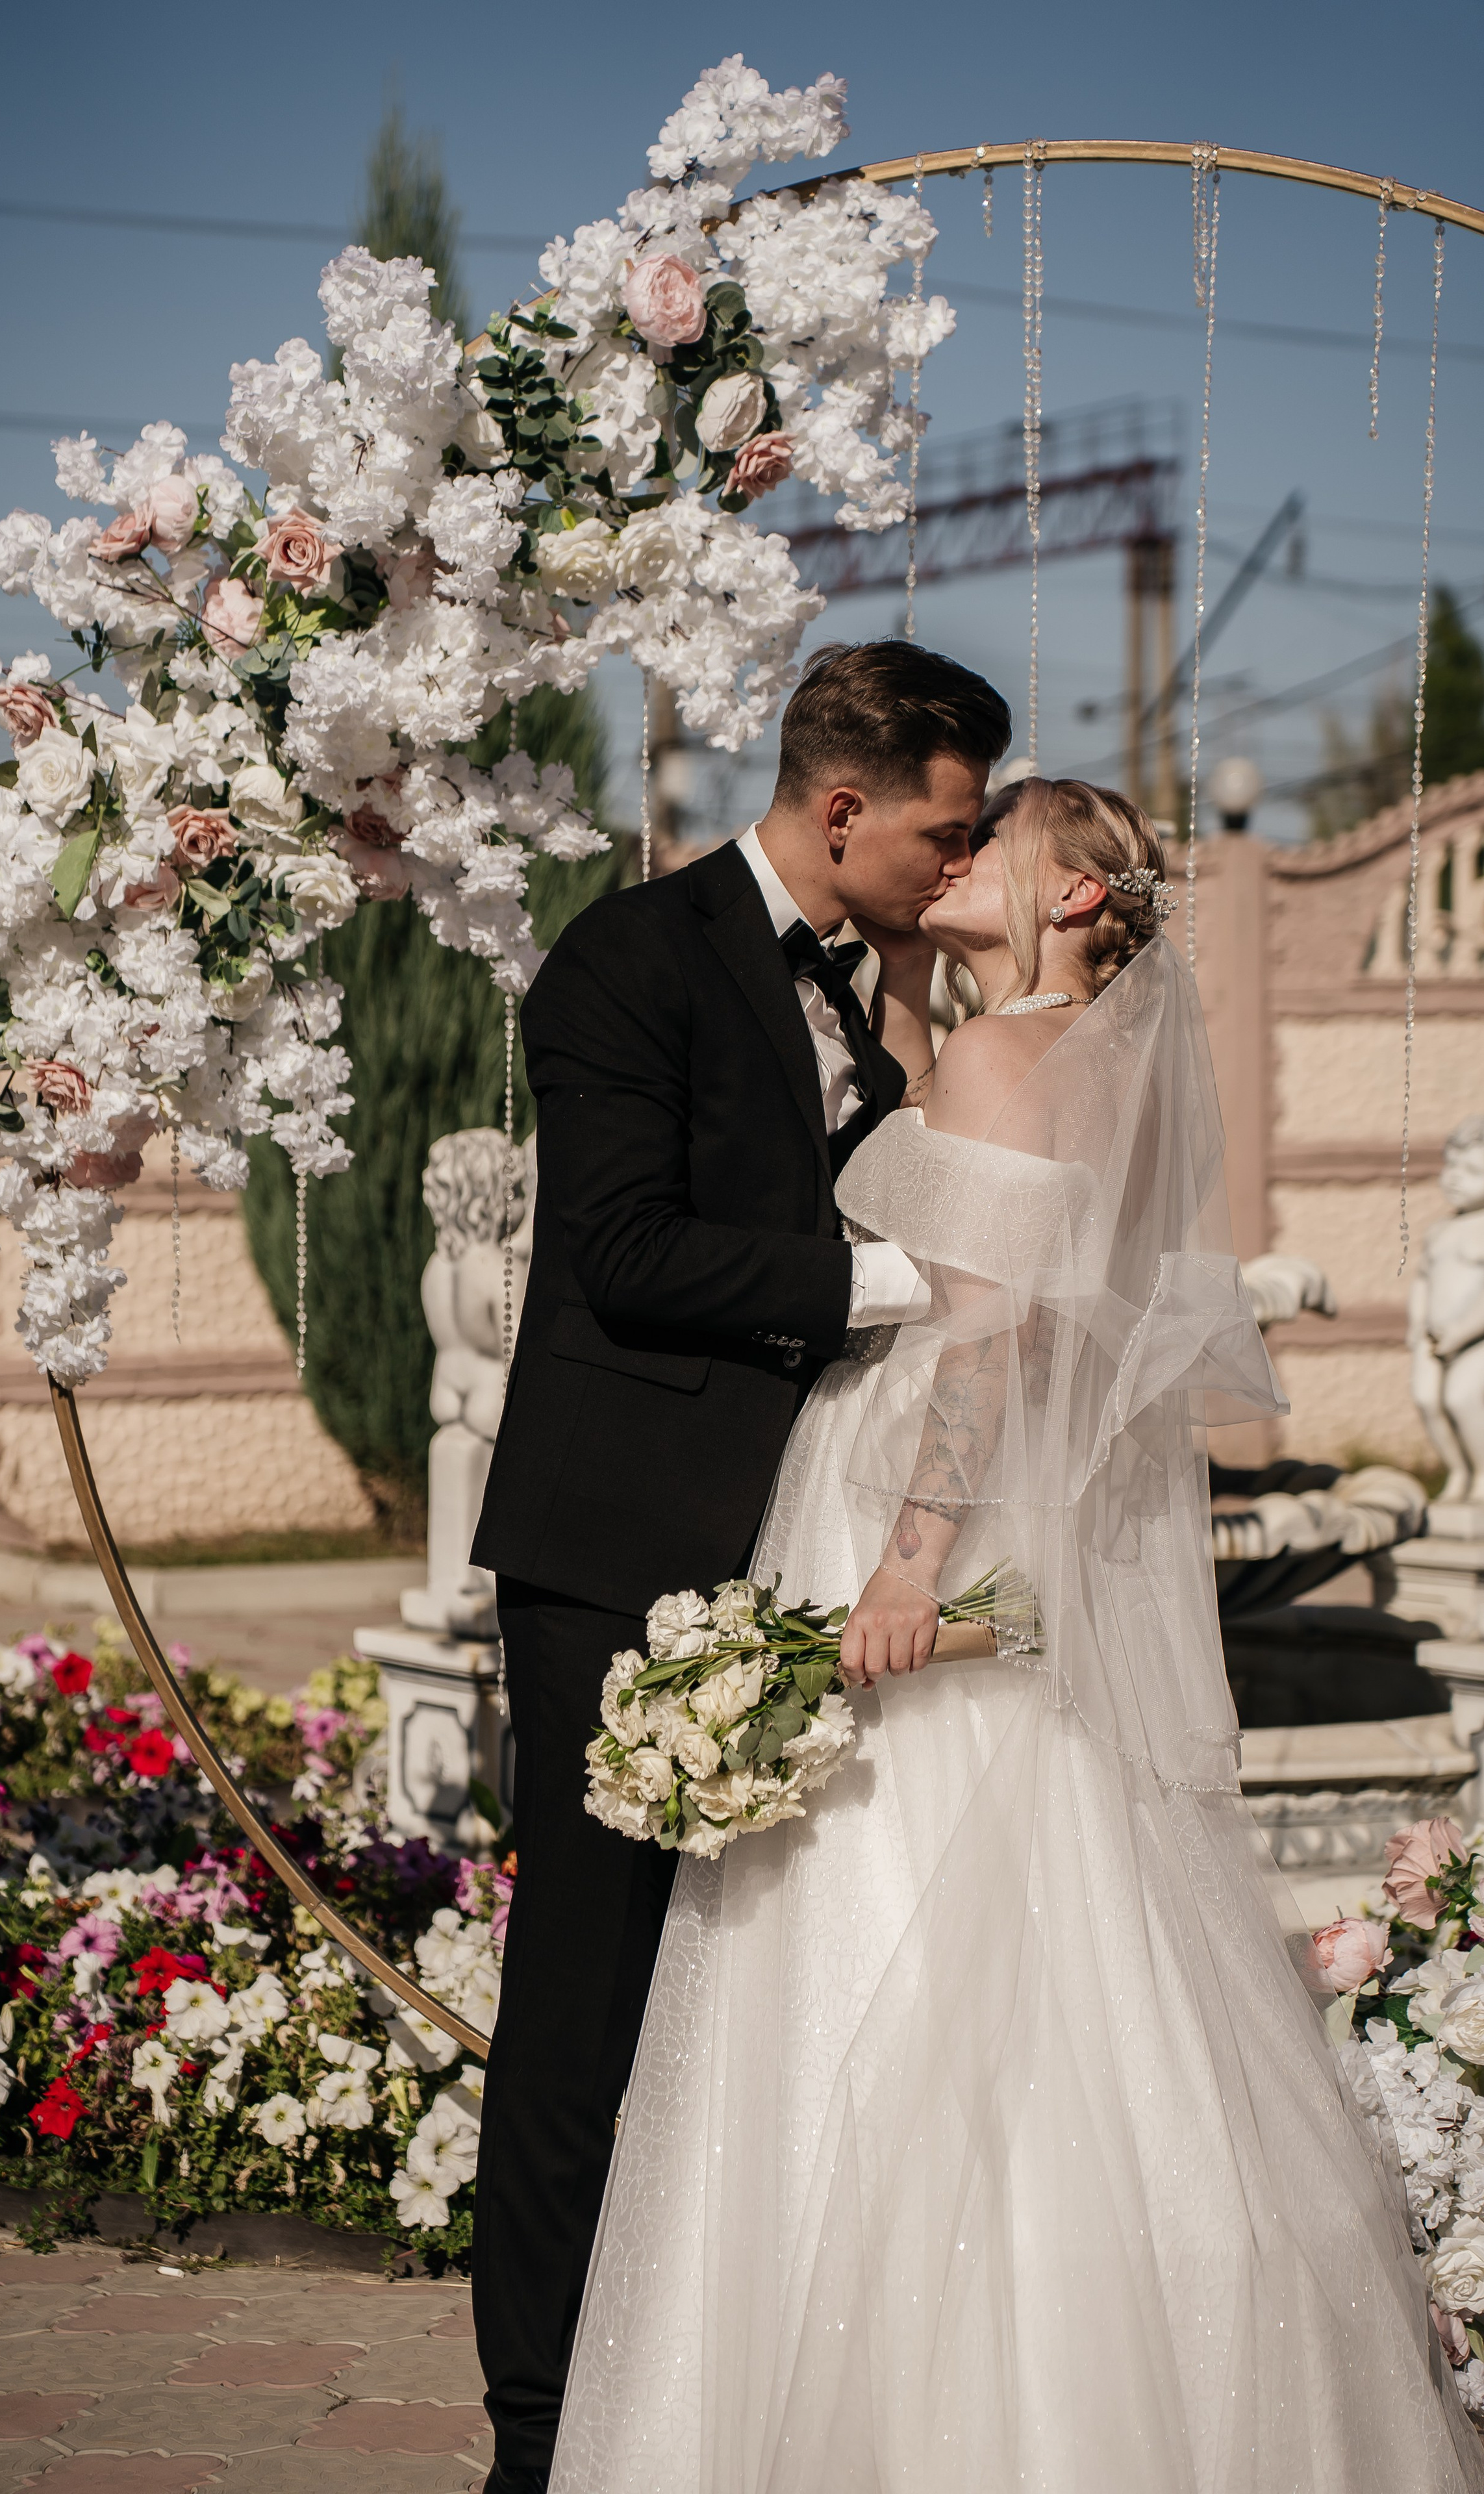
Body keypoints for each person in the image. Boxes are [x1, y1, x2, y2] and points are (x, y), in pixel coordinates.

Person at [548, 776, 1484, 2493]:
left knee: (882, 1908)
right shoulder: (1073, 1060)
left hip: (922, 1505)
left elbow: (987, 1344)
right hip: (1010, 1527)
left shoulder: (1000, 1060)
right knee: (1071, 1909)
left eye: (999, 839)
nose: (959, 854)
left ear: (1071, 896)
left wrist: (911, 1566)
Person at [469, 641, 1012, 2493]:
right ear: (842, 808)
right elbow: (624, 1250)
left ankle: (698, 2401)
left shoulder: (881, 985)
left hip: (798, 1561)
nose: (963, 861)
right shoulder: (628, 960)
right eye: (946, 832)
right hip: (619, 1555)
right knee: (587, 1999)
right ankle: (537, 2437)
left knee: (741, 2004)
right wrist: (910, 1281)